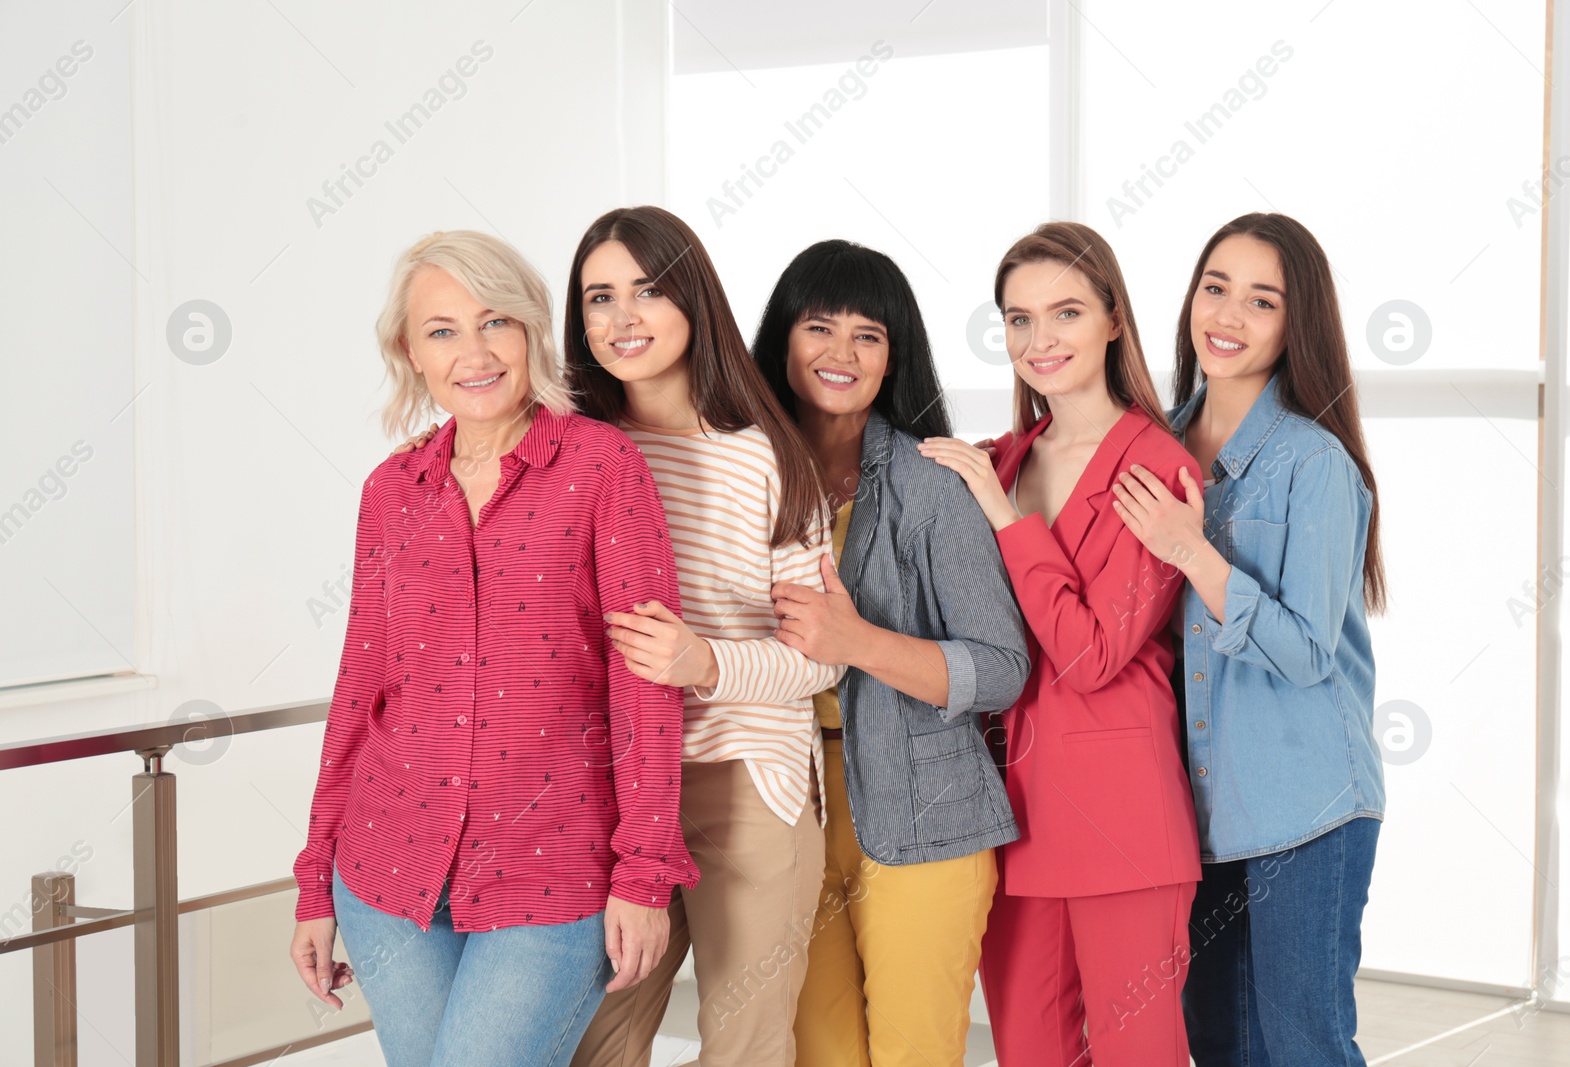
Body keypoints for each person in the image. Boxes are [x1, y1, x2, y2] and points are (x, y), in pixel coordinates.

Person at [288, 230, 697, 1067]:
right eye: (442, 330)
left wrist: (644, 875)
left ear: (532, 331)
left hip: (553, 877)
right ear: (410, 350)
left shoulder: (602, 467)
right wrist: (313, 876)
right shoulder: (392, 490)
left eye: (495, 322)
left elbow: (645, 683)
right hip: (386, 869)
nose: (472, 353)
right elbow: (361, 684)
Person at [562, 206, 841, 1067]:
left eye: (646, 291)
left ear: (693, 299)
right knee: (591, 1044)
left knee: (744, 1045)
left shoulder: (766, 455)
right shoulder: (567, 449)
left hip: (747, 782)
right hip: (604, 790)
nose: (621, 319)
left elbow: (823, 652)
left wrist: (704, 662)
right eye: (598, 297)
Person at [920, 221, 1201, 1065]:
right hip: (1011, 816)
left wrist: (1008, 521)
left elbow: (1089, 654)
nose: (1039, 341)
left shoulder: (1157, 466)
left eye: (1066, 313)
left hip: (1122, 815)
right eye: (1018, 319)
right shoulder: (1003, 457)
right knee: (1028, 1050)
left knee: (1137, 1053)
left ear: (1114, 319)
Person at [1113, 212, 1387, 1065]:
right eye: (1215, 287)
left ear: (1293, 322)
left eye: (1260, 301)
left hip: (1305, 808)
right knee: (1218, 1041)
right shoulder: (1152, 448)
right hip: (1197, 811)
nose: (1227, 316)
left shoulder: (1315, 464)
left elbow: (1307, 652)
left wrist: (1192, 550)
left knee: (1302, 1044)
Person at [747, 239, 1029, 1067]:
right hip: (782, 812)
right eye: (818, 328)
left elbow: (1001, 667)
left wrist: (856, 641)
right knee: (819, 1056)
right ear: (782, 340)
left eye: (868, 335)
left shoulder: (932, 483)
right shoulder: (743, 473)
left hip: (926, 809)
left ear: (893, 355)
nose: (841, 353)